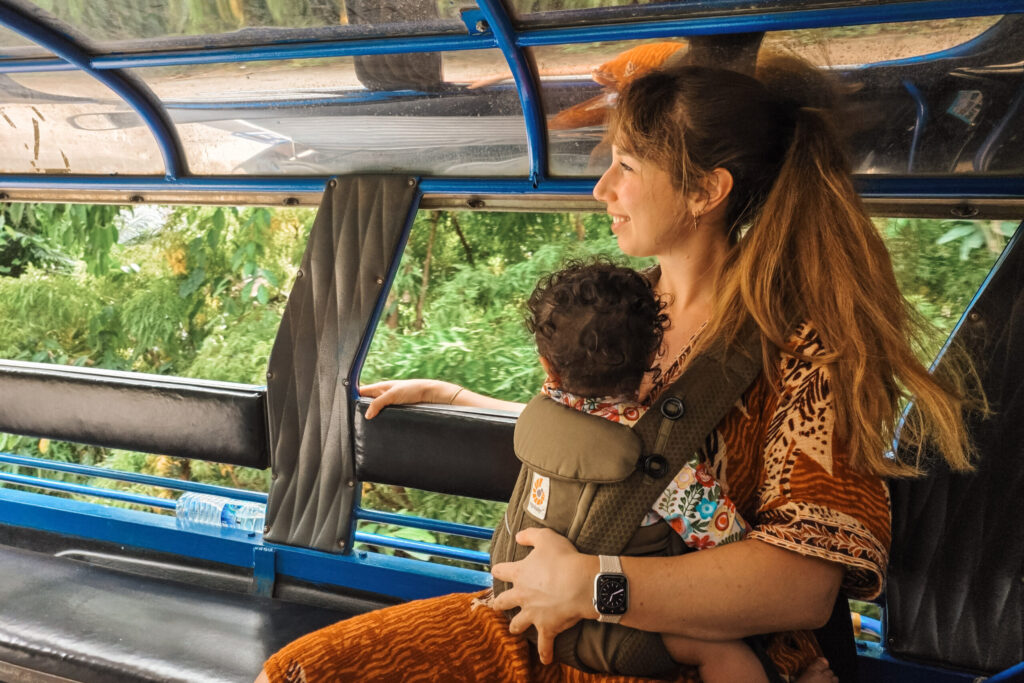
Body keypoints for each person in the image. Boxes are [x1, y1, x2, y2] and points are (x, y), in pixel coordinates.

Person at [257, 55, 975, 683]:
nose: (602, 189)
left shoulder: (809, 352)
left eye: (626, 166)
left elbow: (802, 587)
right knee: (298, 671)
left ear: (705, 191)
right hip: (543, 619)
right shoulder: (631, 310)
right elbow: (613, 447)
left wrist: (593, 585)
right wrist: (459, 397)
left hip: (672, 651)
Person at [501, 258, 774, 681]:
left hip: (518, 596)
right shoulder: (658, 457)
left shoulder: (540, 414)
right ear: (652, 356)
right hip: (606, 632)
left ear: (547, 366)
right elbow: (728, 542)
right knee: (727, 654)